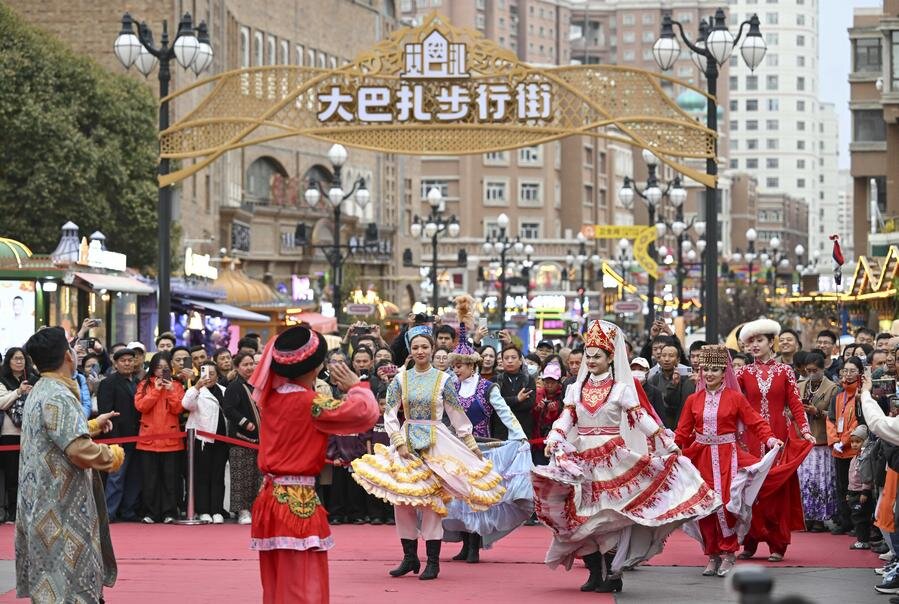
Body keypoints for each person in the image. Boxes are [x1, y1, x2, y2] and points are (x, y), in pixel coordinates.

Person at [532, 320, 720, 594]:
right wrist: (554, 438)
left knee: (609, 517)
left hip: (612, 459)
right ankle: (595, 572)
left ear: (611, 358)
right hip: (582, 459)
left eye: (598, 356)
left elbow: (640, 418)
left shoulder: (621, 389)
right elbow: (566, 418)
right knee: (583, 516)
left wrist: (665, 442)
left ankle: (613, 573)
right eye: (588, 355)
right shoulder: (575, 389)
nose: (592, 360)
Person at [351, 325, 506, 581]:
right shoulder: (401, 378)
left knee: (432, 502)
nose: (420, 351)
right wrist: (398, 441)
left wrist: (471, 444)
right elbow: (389, 413)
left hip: (437, 442)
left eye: (425, 346)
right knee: (403, 501)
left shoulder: (444, 380)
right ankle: (410, 557)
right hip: (407, 439)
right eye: (416, 347)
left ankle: (432, 561)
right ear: (410, 351)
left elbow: (456, 414)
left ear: (432, 349)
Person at [247, 325, 377, 604]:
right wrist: (357, 385)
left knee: (276, 580)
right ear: (317, 367)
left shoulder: (269, 400)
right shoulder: (311, 403)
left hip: (270, 497)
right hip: (298, 500)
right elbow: (365, 413)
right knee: (302, 581)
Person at [15, 327, 123, 603]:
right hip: (61, 507)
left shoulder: (42, 388)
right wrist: (111, 456)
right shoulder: (60, 394)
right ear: (68, 356)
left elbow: (53, 436)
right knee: (71, 586)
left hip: (40, 505)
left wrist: (91, 426)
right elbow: (78, 450)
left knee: (50, 584)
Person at [675, 345, 782, 577]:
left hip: (728, 456)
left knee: (726, 505)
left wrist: (770, 439)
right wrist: (669, 447)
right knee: (705, 507)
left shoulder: (735, 398)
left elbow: (755, 422)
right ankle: (712, 554)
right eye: (706, 369)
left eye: (716, 369)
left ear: (725, 372)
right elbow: (682, 432)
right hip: (701, 457)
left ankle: (729, 553)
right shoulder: (693, 399)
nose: (710, 374)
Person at [442, 296, 532, 563]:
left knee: (477, 498)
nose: (455, 369)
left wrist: (520, 438)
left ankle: (474, 547)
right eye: (454, 365)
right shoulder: (450, 387)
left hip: (482, 450)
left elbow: (505, 413)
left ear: (472, 365)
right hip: (457, 448)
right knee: (459, 499)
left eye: (459, 365)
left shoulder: (487, 387)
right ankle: (465, 544)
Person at [735, 319, 816, 562]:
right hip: (751, 437)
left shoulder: (785, 371)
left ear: (772, 343)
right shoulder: (742, 373)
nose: (755, 345)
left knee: (777, 489)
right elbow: (735, 406)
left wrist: (805, 430)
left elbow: (795, 404)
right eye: (751, 342)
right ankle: (748, 541)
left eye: (760, 340)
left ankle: (777, 544)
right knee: (750, 487)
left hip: (780, 436)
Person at [134, 352, 186, 524]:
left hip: (171, 440)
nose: (161, 371)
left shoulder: (177, 385)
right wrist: (156, 391)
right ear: (152, 368)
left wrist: (170, 390)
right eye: (158, 368)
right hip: (148, 440)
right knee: (149, 480)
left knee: (170, 480)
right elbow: (141, 406)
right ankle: (150, 512)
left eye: (165, 368)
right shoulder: (143, 385)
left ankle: (169, 512)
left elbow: (179, 409)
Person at [796, 351, 840, 532]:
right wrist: (798, 410)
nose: (811, 373)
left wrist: (817, 412)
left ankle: (820, 518)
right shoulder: (799, 385)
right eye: (808, 370)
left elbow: (835, 415)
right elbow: (789, 410)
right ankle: (805, 516)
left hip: (821, 441)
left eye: (815, 370)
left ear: (822, 369)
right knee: (805, 480)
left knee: (820, 481)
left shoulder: (832, 388)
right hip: (804, 440)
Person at [182, 361, 230, 524]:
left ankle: (216, 509)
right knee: (202, 476)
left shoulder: (224, 390)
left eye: (212, 374)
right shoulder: (196, 391)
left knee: (218, 476)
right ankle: (203, 510)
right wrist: (196, 387)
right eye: (205, 374)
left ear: (218, 376)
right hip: (202, 439)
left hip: (222, 439)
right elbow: (186, 405)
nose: (208, 378)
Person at [97, 347, 141, 521]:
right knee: (116, 477)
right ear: (115, 363)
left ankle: (128, 511)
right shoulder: (108, 383)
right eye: (123, 361)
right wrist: (115, 439)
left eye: (131, 360)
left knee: (134, 477)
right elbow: (105, 411)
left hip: (138, 437)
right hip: (118, 437)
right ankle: (109, 513)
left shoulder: (138, 382)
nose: (128, 363)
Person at [827, 356, 865, 536]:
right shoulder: (838, 395)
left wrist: (844, 442)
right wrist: (835, 441)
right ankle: (844, 521)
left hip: (853, 449)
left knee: (855, 487)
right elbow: (831, 420)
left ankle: (857, 523)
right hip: (838, 450)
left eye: (852, 371)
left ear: (860, 373)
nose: (848, 375)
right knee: (841, 486)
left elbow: (858, 422)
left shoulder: (861, 395)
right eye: (845, 371)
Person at [0, 347, 38, 523]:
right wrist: (18, 392)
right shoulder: (2, 379)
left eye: (22, 358)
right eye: (15, 358)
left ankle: (29, 512)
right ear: (8, 361)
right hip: (10, 434)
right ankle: (13, 513)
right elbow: (2, 403)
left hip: (31, 433)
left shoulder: (33, 377)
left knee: (29, 475)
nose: (19, 361)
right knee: (12, 475)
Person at [224, 351, 261, 525]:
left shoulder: (258, 385)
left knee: (256, 475)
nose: (249, 368)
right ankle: (243, 511)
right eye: (245, 365)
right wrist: (245, 422)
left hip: (260, 439)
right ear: (237, 367)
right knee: (240, 476)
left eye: (251, 364)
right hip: (240, 438)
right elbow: (229, 409)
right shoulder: (234, 386)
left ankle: (256, 508)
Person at [646, 343, 696, 429]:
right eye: (663, 355)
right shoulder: (653, 380)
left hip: (679, 426)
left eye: (671, 356)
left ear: (678, 360)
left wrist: (674, 384)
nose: (666, 359)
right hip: (659, 427)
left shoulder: (686, 381)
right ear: (659, 358)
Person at [493, 346, 536, 441]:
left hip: (523, 430)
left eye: (513, 357)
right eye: (506, 358)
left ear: (520, 361)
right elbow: (495, 404)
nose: (509, 361)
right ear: (502, 361)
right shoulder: (495, 380)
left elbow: (529, 404)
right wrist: (517, 399)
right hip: (501, 431)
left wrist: (505, 403)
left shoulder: (528, 380)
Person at [845, 425, 875, 550]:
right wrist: (848, 492)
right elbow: (851, 477)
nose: (854, 445)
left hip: (861, 493)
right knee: (856, 517)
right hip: (853, 492)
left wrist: (865, 492)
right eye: (852, 442)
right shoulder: (854, 459)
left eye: (858, 442)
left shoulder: (864, 458)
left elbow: (866, 476)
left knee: (861, 518)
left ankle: (863, 540)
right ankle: (862, 539)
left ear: (865, 442)